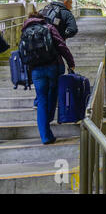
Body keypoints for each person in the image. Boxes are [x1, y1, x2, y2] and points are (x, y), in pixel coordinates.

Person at [20, 12, 75, 145]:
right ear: (42, 19)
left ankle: (45, 136)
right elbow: (61, 45)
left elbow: (22, 52)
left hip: (36, 70)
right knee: (53, 94)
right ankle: (49, 118)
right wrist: (70, 62)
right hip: (54, 67)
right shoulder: (49, 27)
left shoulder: (25, 31)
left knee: (41, 99)